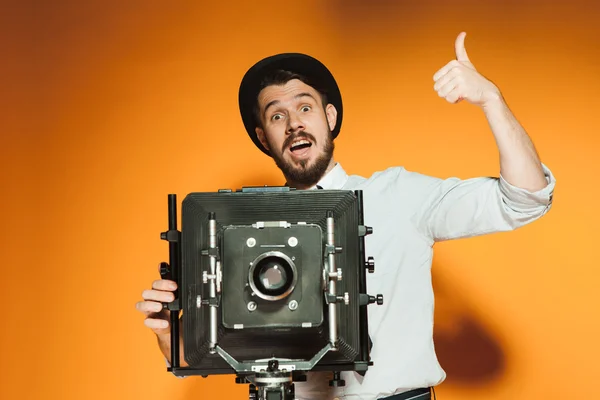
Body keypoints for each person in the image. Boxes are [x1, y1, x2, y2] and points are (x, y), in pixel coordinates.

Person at [136, 32, 555, 400]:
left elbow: (524, 198)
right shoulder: (240, 233)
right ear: (264, 137)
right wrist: (168, 332)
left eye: (305, 108)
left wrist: (491, 100)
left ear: (330, 117)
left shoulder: (398, 195)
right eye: (277, 116)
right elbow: (209, 351)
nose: (294, 125)